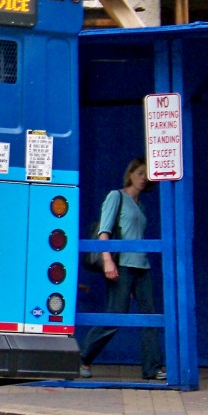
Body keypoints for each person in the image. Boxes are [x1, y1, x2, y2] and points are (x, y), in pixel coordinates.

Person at [79, 157, 164, 381]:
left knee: (150, 316)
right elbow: (104, 231)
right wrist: (108, 260)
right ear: (130, 174)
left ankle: (152, 368)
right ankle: (83, 358)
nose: (143, 178)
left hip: (141, 266)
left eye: (147, 174)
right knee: (115, 316)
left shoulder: (140, 205)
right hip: (122, 265)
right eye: (139, 173)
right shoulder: (116, 196)